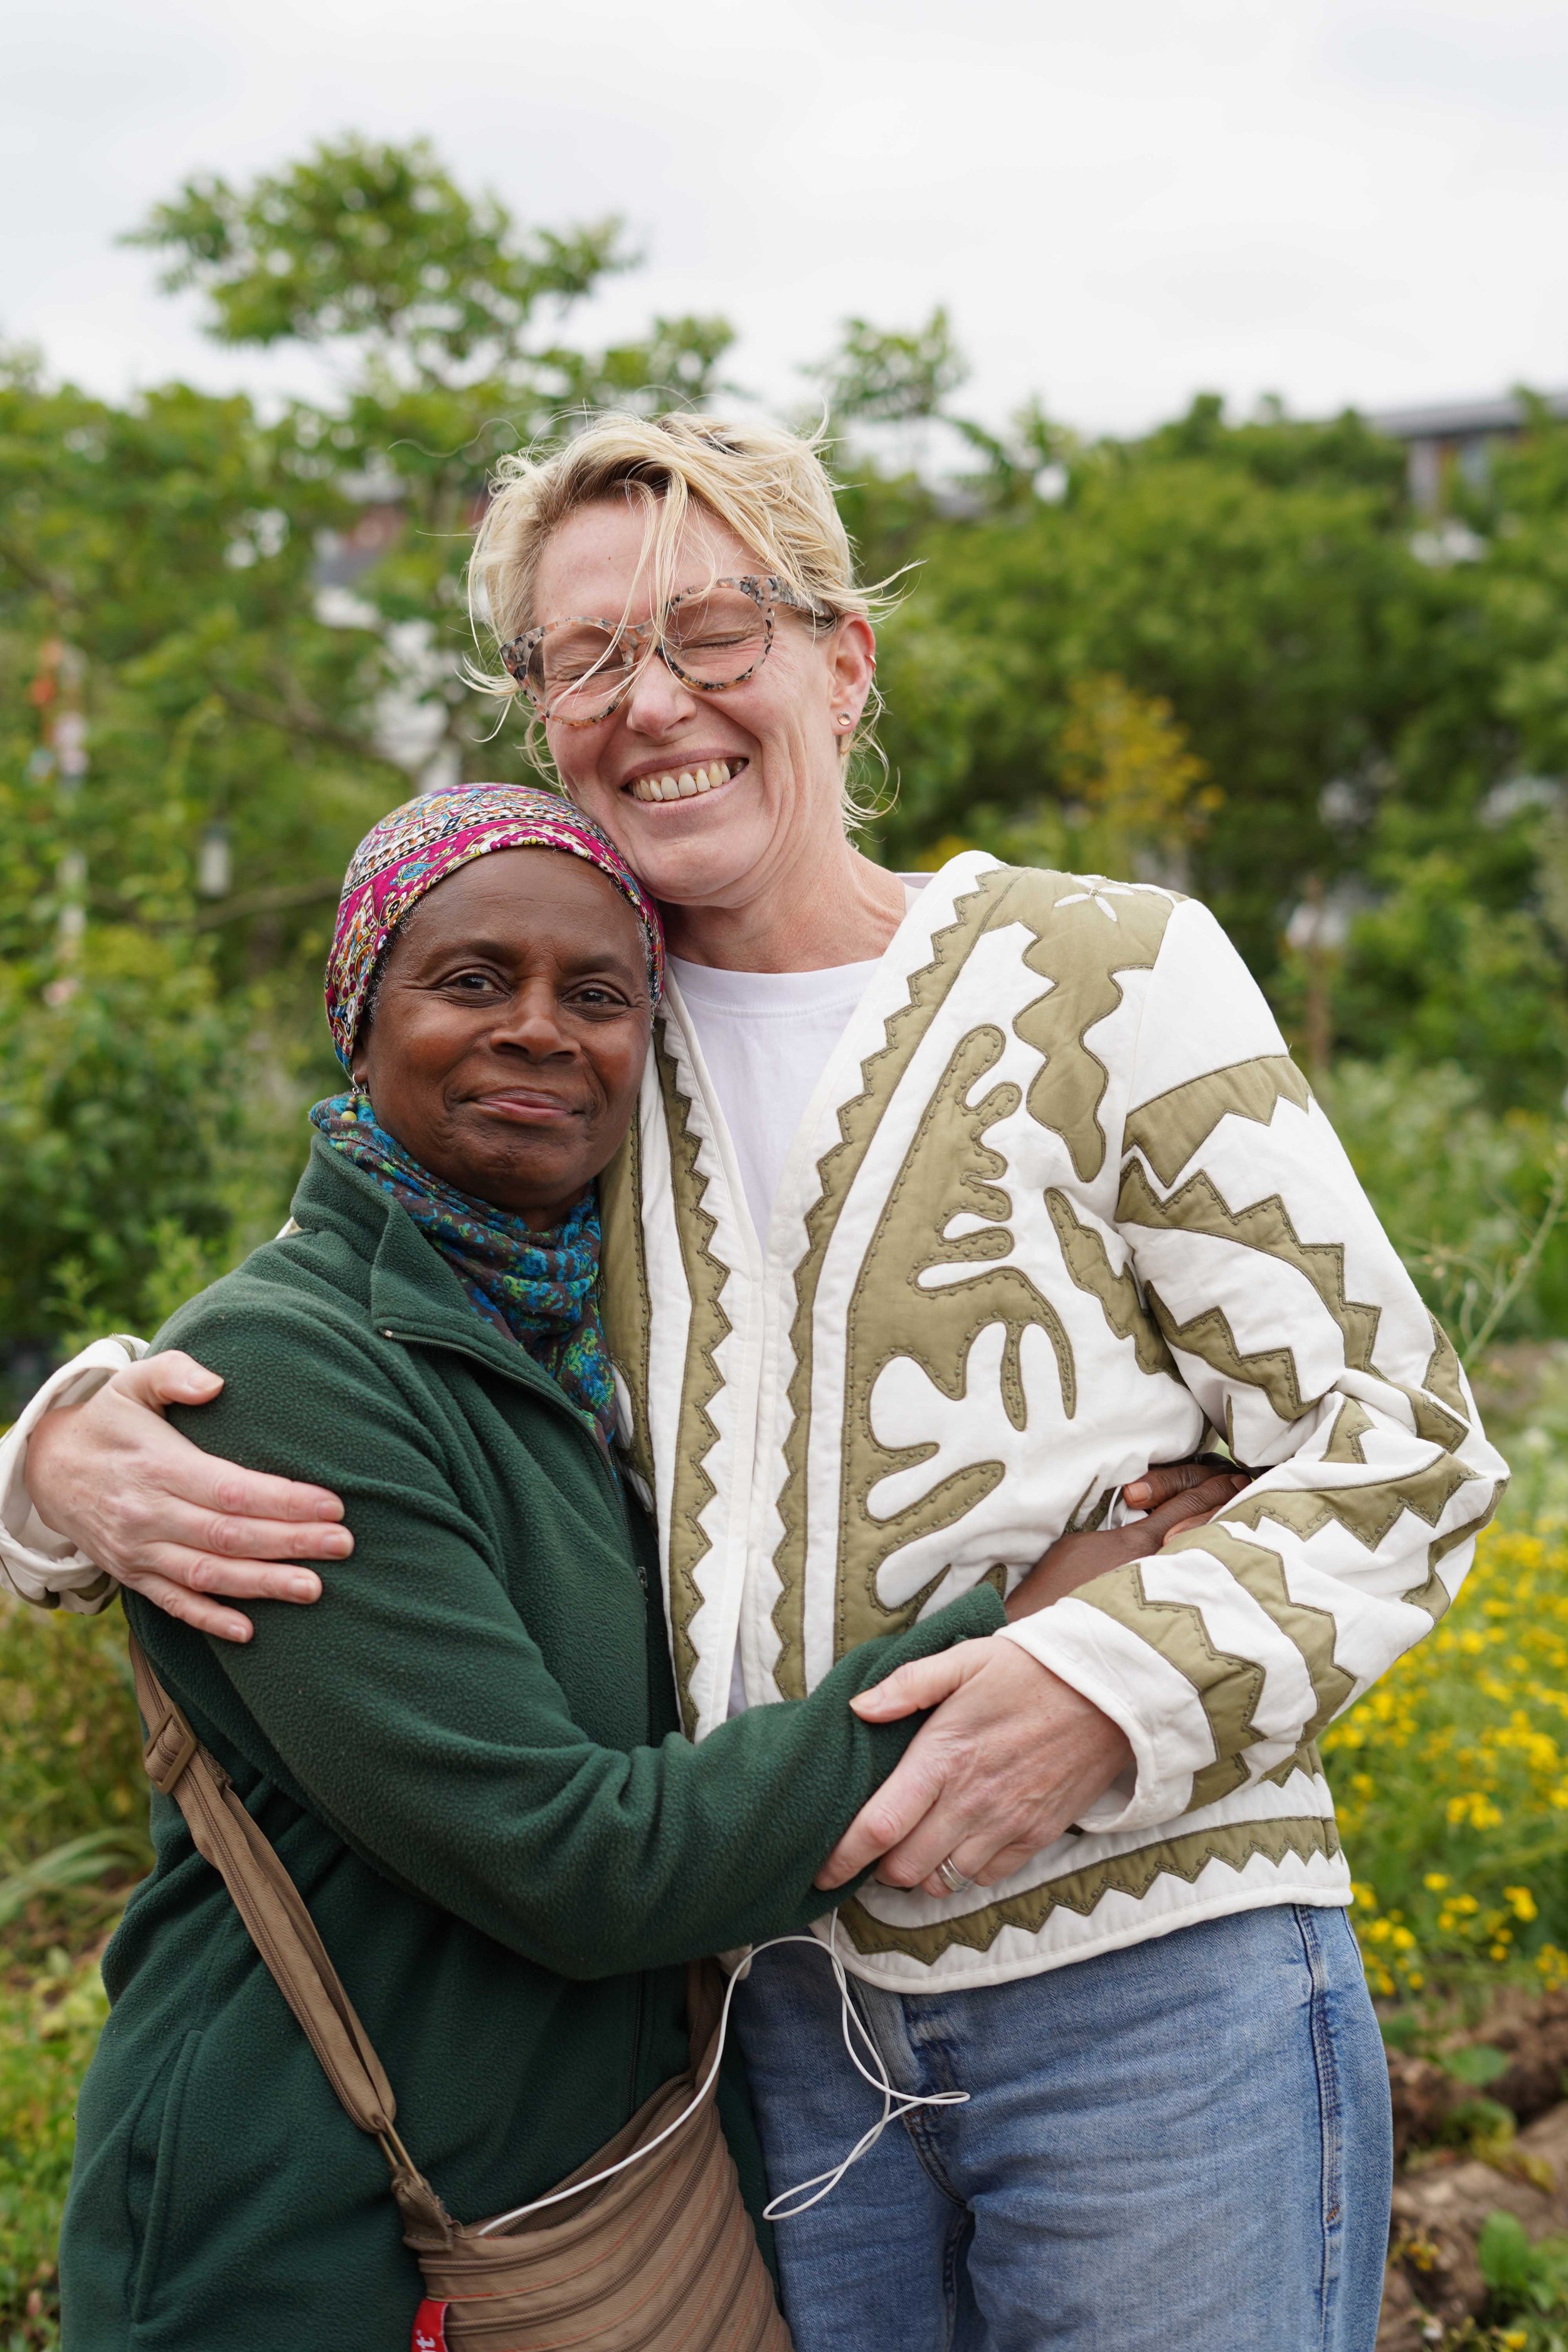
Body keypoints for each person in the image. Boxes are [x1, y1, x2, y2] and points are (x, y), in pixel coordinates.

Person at [4, 416, 1507, 2352]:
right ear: (541, 714)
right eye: (588, 658)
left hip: (1147, 1981)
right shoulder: (588, 1049)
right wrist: (68, 1438)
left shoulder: (1102, 972)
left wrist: (1102, 1678)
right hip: (776, 2044)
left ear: (841, 662)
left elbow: (1401, 1437)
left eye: (716, 632)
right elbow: (352, 1313)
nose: (658, 702)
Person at [56, 783, 1094, 2349]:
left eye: (597, 996)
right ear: (360, 1016)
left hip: (583, 2208)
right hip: (301, 2245)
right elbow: (573, 1860)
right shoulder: (280, 1376)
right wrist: (1015, 1632)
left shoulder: (606, 1344)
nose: (541, 1030)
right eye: (472, 981)